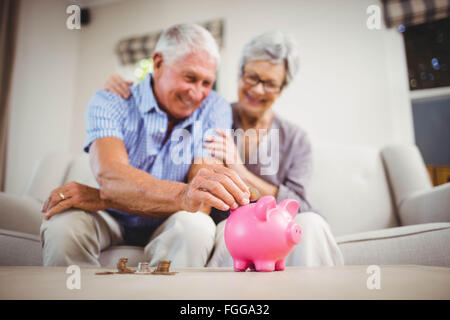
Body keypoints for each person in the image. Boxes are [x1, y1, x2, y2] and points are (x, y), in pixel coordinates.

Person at [104, 30, 344, 267]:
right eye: (252, 77)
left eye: (270, 84)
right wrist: (136, 91)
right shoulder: (211, 115)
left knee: (312, 224)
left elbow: (302, 206)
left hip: (278, 229)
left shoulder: (296, 139)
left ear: (282, 88)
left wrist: (240, 171)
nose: (258, 90)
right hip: (228, 227)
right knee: (220, 233)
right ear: (239, 74)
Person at [39, 23, 251, 267]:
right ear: (158, 64)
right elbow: (112, 177)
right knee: (64, 225)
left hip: (170, 220)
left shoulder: (214, 108)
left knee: (196, 225)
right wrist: (183, 194)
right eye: (190, 78)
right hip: (111, 219)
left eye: (206, 83)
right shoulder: (111, 100)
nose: (197, 93)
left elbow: (202, 198)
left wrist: (104, 196)